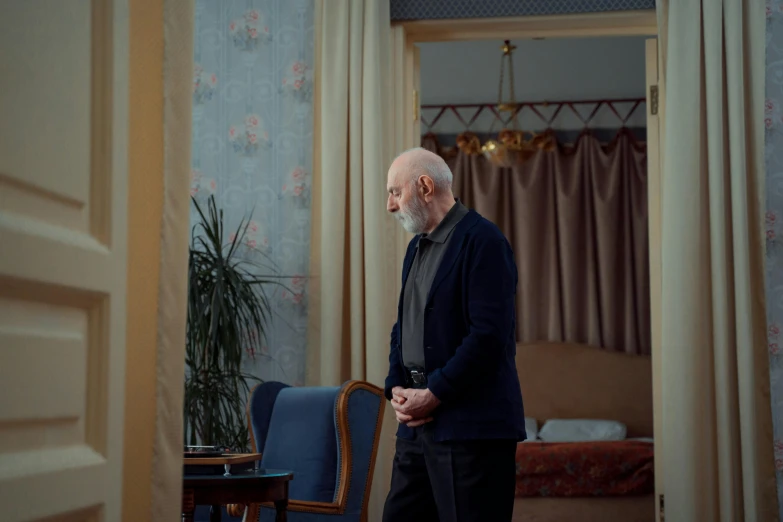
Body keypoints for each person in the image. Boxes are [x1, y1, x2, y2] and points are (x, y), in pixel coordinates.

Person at [382, 147, 526, 522]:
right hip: (416, 431)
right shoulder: (415, 247)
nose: (390, 205)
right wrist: (395, 383)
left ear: (425, 186)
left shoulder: (484, 241)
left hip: (472, 430)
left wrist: (435, 393)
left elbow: (488, 337)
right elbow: (405, 323)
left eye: (395, 192)